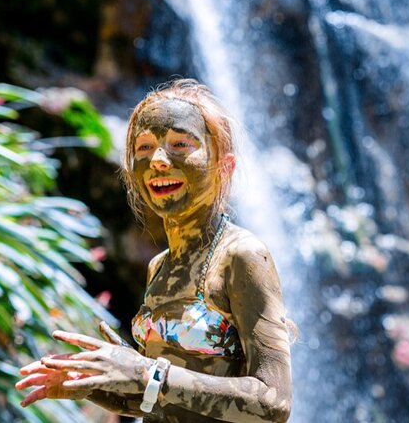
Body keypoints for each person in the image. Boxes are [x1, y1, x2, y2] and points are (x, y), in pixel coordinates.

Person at [16, 79, 293, 423]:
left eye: (180, 144)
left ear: (225, 166)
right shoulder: (159, 266)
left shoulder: (242, 256)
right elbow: (166, 400)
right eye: (144, 147)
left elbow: (274, 402)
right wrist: (98, 385)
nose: (159, 160)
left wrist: (146, 373)